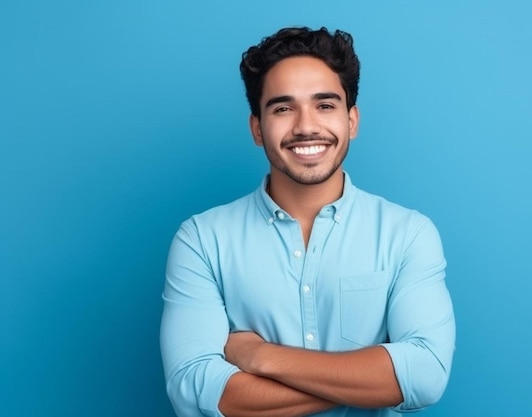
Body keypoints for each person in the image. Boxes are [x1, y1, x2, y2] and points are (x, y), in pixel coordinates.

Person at [160, 26, 455, 417]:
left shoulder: (408, 235)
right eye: (283, 108)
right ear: (256, 128)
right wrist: (373, 380)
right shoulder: (201, 240)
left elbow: (426, 375)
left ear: (352, 121)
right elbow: (194, 389)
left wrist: (262, 357)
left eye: (325, 105)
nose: (305, 126)